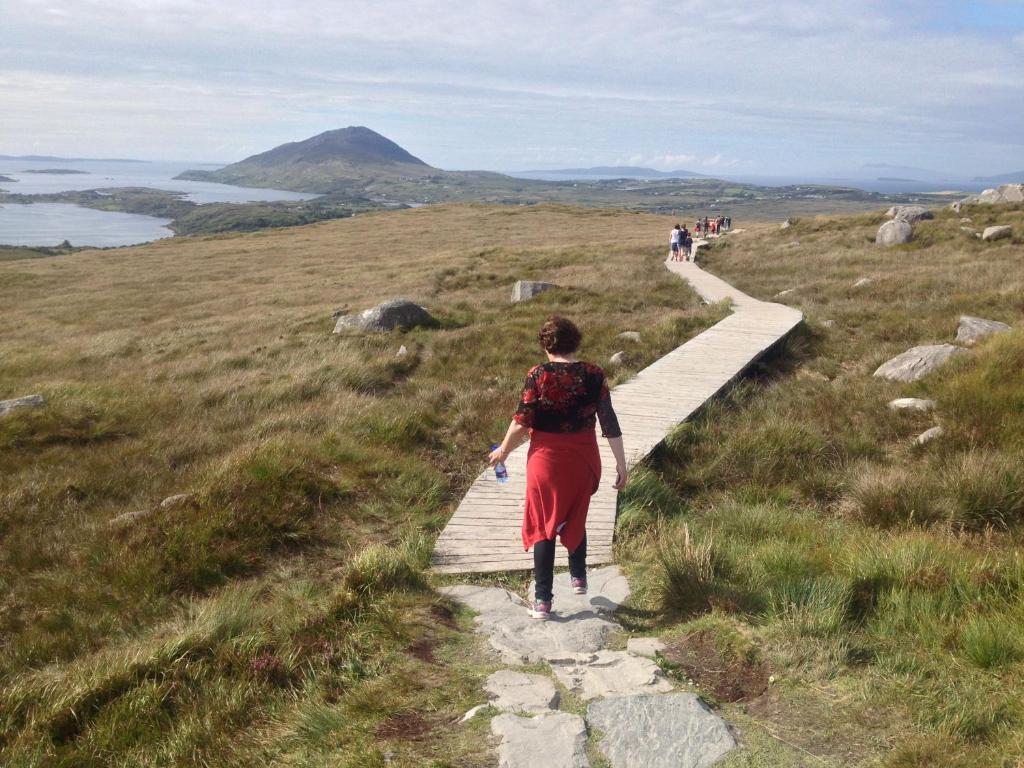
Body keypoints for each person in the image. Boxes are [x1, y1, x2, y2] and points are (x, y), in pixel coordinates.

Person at [489, 316, 627, 620]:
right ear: (575, 341)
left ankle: (543, 602)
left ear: (545, 345)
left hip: (546, 459)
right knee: (575, 512)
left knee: (543, 524)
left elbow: (522, 421)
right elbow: (609, 422)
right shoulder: (594, 374)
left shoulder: (538, 374)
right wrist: (621, 463)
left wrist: (503, 451)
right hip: (583, 457)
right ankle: (578, 576)